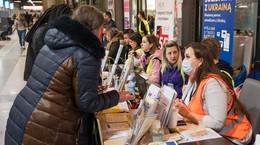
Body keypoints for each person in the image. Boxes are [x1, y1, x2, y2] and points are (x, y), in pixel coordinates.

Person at [5, 5, 135, 145]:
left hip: (24, 115)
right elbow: (87, 103)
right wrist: (117, 96)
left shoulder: (54, 42)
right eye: (101, 28)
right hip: (44, 126)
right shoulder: (86, 54)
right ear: (94, 28)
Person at [175, 42, 252, 145]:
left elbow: (217, 123)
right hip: (207, 131)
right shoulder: (194, 78)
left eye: (188, 57)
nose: (184, 61)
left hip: (231, 137)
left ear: (200, 61)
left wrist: (187, 114)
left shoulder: (213, 84)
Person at [23, 4, 72, 81]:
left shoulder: (37, 30)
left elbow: (32, 57)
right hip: (53, 81)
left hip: (37, 77)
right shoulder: (57, 33)